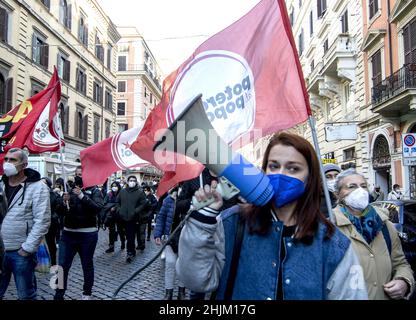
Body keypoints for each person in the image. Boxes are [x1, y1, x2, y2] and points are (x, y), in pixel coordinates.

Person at [176, 132, 368, 300]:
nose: (280, 174)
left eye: (293, 168)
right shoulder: (232, 223)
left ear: (310, 178)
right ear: (264, 170)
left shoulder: (333, 243)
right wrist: (202, 223)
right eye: (274, 166)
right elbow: (196, 281)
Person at [333, 169, 414, 299]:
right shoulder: (328, 228)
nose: (360, 191)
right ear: (338, 194)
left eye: (363, 186)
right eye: (352, 187)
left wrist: (404, 281)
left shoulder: (385, 225)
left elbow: (401, 264)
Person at [0, 148, 51, 300]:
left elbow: (42, 220)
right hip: (0, 251)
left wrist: (27, 248)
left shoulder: (37, 187)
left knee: (26, 295)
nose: (8, 163)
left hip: (20, 252)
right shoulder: (1, 185)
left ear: (24, 165)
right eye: (6, 159)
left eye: (13, 160)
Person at [54, 169, 103, 301]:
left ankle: (87, 292)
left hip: (87, 235)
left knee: (87, 265)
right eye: (76, 174)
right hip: (68, 234)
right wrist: (63, 202)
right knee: (62, 265)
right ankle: (59, 294)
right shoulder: (68, 190)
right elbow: (58, 210)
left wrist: (82, 196)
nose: (78, 177)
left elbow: (97, 208)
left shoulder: (94, 191)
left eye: (81, 174)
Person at [154, 187, 186, 300]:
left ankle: (181, 292)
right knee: (170, 263)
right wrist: (157, 234)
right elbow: (161, 217)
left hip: (186, 238)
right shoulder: (168, 199)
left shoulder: (191, 199)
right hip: (170, 237)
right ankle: (168, 292)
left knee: (183, 265)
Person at [116, 175, 148, 263]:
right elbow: (117, 202)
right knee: (123, 234)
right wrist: (119, 210)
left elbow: (144, 203)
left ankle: (130, 252)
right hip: (122, 217)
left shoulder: (140, 192)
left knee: (130, 236)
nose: (132, 182)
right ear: (127, 181)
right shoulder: (122, 191)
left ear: (136, 182)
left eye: (134, 180)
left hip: (133, 218)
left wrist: (136, 211)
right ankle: (130, 249)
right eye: (130, 180)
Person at [41, 177, 61, 266]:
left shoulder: (53, 195)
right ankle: (41, 261)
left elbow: (57, 208)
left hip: (50, 221)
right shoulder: (37, 194)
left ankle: (53, 261)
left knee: (50, 242)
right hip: (39, 221)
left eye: (44, 183)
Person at [102, 181, 125, 253]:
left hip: (119, 216)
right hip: (111, 216)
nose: (114, 187)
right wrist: (110, 207)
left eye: (115, 186)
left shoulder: (122, 194)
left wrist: (116, 207)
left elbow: (123, 204)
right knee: (111, 231)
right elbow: (104, 204)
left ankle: (123, 243)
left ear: (118, 187)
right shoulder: (109, 194)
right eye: (113, 186)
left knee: (120, 230)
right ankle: (111, 246)